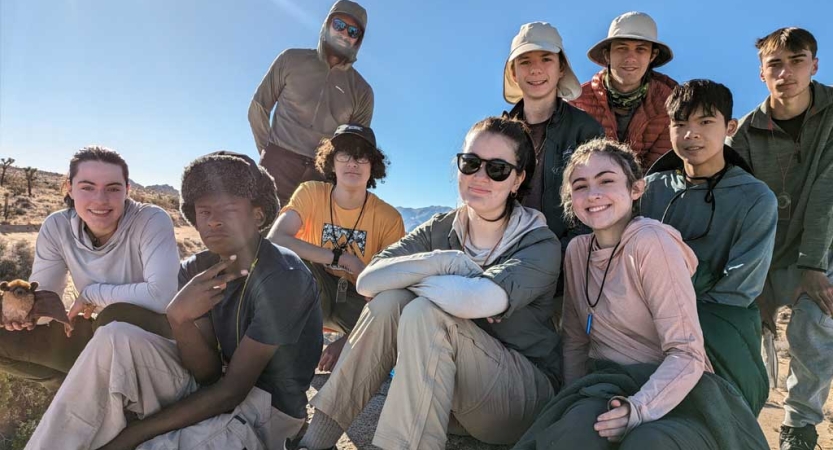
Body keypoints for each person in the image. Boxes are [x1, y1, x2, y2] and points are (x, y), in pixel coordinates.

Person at [294, 117, 561, 450]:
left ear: (518, 179)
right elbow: (369, 280)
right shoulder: (440, 228)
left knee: (424, 311)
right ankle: (315, 442)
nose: (479, 176)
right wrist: (444, 263)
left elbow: (473, 302)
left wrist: (415, 278)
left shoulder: (538, 244)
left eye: (497, 169)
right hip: (446, 395)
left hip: (516, 400)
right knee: (390, 301)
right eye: (471, 163)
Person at [25, 152, 323, 449]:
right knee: (115, 335)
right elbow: (206, 375)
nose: (214, 222)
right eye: (204, 212)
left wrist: (130, 436)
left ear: (257, 215)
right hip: (213, 388)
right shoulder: (196, 269)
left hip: (265, 409)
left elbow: (232, 391)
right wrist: (179, 318)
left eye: (229, 210)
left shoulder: (284, 276)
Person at [514, 138, 768, 449]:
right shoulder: (577, 252)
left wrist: (639, 409)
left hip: (678, 392)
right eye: (580, 186)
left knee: (648, 442)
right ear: (570, 199)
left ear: (636, 189)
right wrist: (574, 400)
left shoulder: (651, 243)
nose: (593, 194)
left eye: (606, 180)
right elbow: (576, 341)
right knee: (573, 435)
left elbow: (687, 354)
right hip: (606, 384)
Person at [640, 79, 778, 416]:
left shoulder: (756, 198)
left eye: (705, 122)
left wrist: (678, 324)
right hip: (644, 320)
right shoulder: (649, 190)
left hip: (719, 324)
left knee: (720, 413)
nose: (691, 134)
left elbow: (740, 287)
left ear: (729, 127)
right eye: (680, 124)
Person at [727, 27, 833, 450]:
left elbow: (828, 193)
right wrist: (757, 280)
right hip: (765, 253)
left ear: (815, 65)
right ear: (761, 73)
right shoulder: (746, 133)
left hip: (822, 248)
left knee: (814, 323)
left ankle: (800, 427)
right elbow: (742, 209)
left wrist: (811, 266)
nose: (785, 72)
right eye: (775, 64)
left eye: (796, 61)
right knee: (739, 324)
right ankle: (735, 421)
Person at [0, 146, 179, 392]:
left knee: (115, 318)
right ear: (69, 189)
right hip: (96, 335)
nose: (100, 200)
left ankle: (128, 395)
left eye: (113, 188)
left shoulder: (150, 219)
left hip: (148, 340)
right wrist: (20, 314)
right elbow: (43, 305)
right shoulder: (57, 227)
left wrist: (92, 294)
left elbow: (163, 297)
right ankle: (76, 394)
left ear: (127, 190)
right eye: (87, 187)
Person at [268, 123, 405, 371]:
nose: (353, 162)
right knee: (288, 266)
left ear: (373, 165)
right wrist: (344, 259)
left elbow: (392, 293)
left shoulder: (389, 218)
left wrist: (347, 341)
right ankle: (282, 365)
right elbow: (276, 238)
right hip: (314, 289)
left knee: (391, 334)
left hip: (359, 301)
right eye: (344, 153)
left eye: (362, 155)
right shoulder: (311, 193)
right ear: (331, 161)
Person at [248, 0, 373, 206]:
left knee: (305, 237)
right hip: (276, 164)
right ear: (327, 24)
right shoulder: (291, 60)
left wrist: (332, 176)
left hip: (320, 178)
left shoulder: (362, 90)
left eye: (353, 32)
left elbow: (356, 145)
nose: (344, 34)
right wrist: (268, 151)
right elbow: (258, 108)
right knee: (258, 231)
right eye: (339, 25)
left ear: (358, 40)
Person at [502, 22, 604, 263]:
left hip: (567, 260)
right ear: (514, 73)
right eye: (525, 61)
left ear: (561, 68)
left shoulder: (586, 130)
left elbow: (595, 202)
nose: (536, 69)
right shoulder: (499, 133)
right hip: (504, 256)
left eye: (546, 59)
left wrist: (558, 255)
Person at [571, 11, 677, 168]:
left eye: (640, 49)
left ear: (652, 56)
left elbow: (660, 169)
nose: (630, 58)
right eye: (622, 48)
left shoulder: (670, 105)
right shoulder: (578, 102)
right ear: (607, 55)